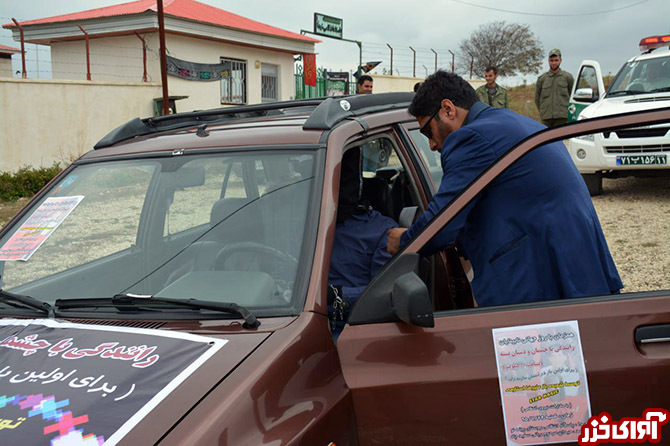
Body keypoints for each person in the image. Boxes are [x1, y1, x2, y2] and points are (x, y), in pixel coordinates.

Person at [387, 70, 622, 307]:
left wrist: (405, 239)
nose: (432, 144)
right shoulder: (514, 122)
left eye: (428, 131)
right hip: (579, 268)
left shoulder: (471, 137)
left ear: (448, 109)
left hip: (540, 282)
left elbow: (443, 223)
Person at [328, 147, 398, 339]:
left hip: (351, 335)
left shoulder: (382, 232)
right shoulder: (293, 225)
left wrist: (335, 295)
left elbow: (384, 296)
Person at [535, 49, 574, 127]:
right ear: (548, 61)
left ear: (560, 60)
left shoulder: (567, 77)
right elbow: (537, 99)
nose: (554, 63)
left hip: (562, 118)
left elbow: (572, 97)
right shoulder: (542, 79)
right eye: (551, 60)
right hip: (546, 119)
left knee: (562, 139)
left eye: (556, 60)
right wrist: (544, 111)